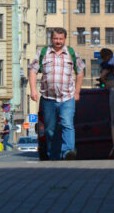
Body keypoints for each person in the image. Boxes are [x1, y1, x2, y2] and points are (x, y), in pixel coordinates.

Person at [29, 27, 85, 160]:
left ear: (65, 39)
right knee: (49, 129)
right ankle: (52, 155)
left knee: (67, 124)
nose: (58, 41)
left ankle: (68, 152)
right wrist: (33, 90)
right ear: (51, 39)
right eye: (55, 39)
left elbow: (80, 71)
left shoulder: (71, 53)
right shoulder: (43, 52)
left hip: (67, 98)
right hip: (48, 99)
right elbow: (32, 70)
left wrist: (77, 92)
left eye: (60, 39)